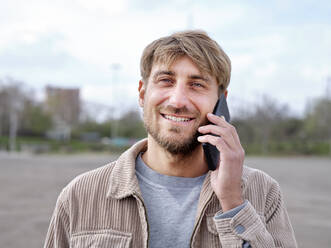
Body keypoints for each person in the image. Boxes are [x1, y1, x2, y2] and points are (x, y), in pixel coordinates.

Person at [44, 30, 297, 248]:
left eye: (196, 84)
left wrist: (233, 202)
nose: (177, 101)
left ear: (221, 102)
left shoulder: (263, 192)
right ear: (143, 94)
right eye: (166, 80)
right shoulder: (79, 195)